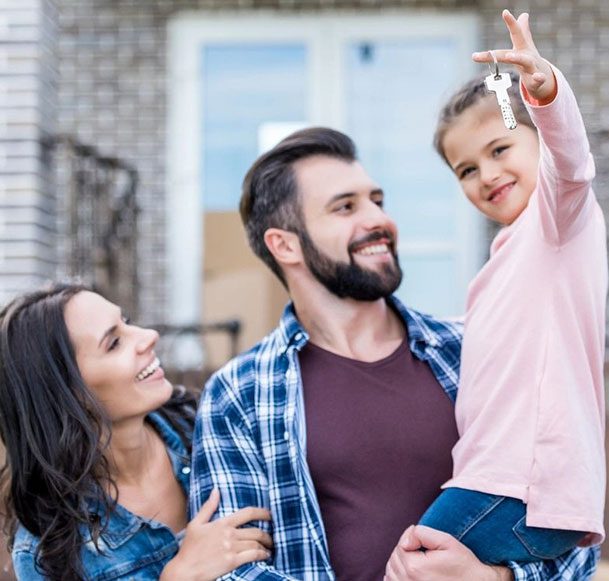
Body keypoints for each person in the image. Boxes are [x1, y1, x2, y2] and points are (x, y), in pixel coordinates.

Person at [189, 123, 600, 579]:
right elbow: (230, 570)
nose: (378, 220)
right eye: (345, 207)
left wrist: (495, 579)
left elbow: (565, 519)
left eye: (377, 201)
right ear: (284, 244)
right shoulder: (240, 393)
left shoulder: (470, 351)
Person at [385, 10, 606, 576]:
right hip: (502, 481)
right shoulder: (503, 262)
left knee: (408, 567)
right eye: (465, 169)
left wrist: (543, 96)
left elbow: (573, 167)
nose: (485, 175)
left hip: (520, 484)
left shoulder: (558, 224)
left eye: (500, 149)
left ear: (536, 140)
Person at [0, 283, 272, 580]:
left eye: (126, 322)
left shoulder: (216, 426)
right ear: (65, 394)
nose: (149, 336)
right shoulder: (46, 551)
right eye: (114, 343)